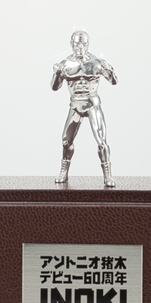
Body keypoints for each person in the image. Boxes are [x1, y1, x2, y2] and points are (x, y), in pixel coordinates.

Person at [51, 31, 117, 187]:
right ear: (71, 44)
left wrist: (110, 70)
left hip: (92, 103)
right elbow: (55, 87)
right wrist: (57, 74)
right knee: (66, 141)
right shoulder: (65, 64)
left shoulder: (96, 62)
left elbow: (113, 81)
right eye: (77, 44)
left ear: (88, 44)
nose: (80, 47)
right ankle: (63, 172)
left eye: (84, 44)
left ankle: (108, 176)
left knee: (101, 141)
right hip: (75, 105)